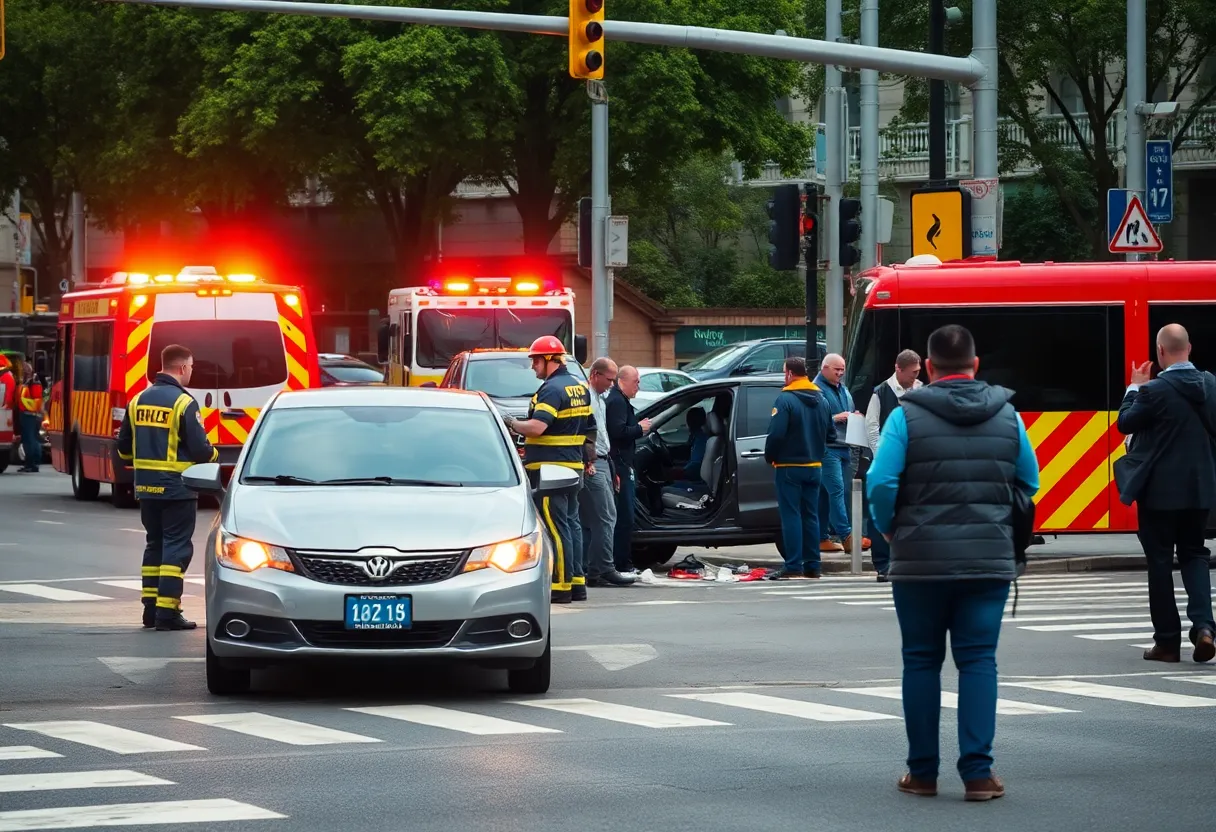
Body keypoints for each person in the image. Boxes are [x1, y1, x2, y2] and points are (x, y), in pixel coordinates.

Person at [866, 324, 1040, 802]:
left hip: (919, 560)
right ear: (975, 365)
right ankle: (979, 775)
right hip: (987, 560)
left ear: (928, 366)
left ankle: (922, 773)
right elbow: (1029, 482)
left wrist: (889, 529)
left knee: (921, 660)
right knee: (979, 661)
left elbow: (881, 481)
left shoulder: (905, 417)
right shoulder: (1008, 416)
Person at [1115, 324, 1216, 664]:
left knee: (1160, 562)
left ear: (1160, 352)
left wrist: (1134, 387)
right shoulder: (1211, 385)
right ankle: (1204, 627)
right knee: (1195, 554)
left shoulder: (1153, 390)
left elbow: (1126, 423)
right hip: (1200, 488)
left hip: (1159, 492)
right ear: (1190, 347)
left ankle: (1168, 643)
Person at [116, 344, 218, 631]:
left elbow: (123, 448)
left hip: (146, 488)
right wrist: (215, 456)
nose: (191, 371)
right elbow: (200, 450)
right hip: (177, 488)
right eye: (191, 367)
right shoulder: (184, 403)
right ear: (183, 367)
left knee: (155, 545)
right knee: (176, 547)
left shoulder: (137, 400)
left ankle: (150, 610)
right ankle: (167, 613)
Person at [503, 336, 596, 604]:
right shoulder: (579, 387)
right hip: (573, 467)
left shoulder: (551, 390)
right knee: (571, 524)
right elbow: (590, 427)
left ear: (549, 360)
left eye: (535, 360)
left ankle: (561, 586)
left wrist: (512, 423)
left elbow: (537, 427)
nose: (533, 366)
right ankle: (577, 583)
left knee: (556, 528)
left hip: (551, 469)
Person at [765, 356, 836, 579]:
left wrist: (770, 456)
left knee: (791, 516)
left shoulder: (785, 400)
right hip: (815, 467)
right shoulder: (822, 400)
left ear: (789, 374)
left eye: (784, 372)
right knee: (811, 515)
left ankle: (793, 565)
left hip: (789, 466)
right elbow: (831, 435)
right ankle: (813, 565)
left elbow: (776, 434)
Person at [864, 349, 923, 580]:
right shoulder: (881, 392)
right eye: (913, 372)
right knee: (882, 511)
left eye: (918, 372)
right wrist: (883, 458)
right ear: (898, 369)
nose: (916, 376)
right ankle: (883, 564)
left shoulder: (920, 390)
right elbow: (872, 427)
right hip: (889, 463)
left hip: (913, 463)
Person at [580, 357, 634, 589]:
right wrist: (587, 460)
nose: (612, 385)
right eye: (609, 379)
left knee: (591, 520)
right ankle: (604, 568)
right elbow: (582, 431)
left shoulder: (600, 398)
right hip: (593, 463)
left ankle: (592, 570)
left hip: (603, 461)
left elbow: (601, 434)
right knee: (606, 517)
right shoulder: (586, 397)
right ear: (595, 375)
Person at [813, 353, 869, 552]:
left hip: (845, 445)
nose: (840, 373)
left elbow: (849, 411)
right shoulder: (816, 390)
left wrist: (855, 416)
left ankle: (821, 538)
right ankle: (847, 536)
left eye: (842, 369)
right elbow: (813, 419)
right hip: (828, 448)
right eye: (836, 369)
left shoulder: (843, 389)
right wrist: (836, 417)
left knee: (828, 494)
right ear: (825, 368)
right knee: (837, 491)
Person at [605, 365, 651, 576]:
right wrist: (640, 429)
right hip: (620, 466)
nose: (638, 386)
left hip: (623, 464)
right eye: (636, 382)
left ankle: (621, 560)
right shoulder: (617, 402)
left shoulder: (620, 400)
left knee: (624, 515)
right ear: (622, 381)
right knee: (624, 516)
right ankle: (621, 562)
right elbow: (618, 431)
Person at [16, 365, 44, 473]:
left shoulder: (33, 382)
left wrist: (32, 411)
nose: (23, 371)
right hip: (27, 414)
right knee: (31, 439)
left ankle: (32, 464)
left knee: (30, 440)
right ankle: (31, 464)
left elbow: (37, 399)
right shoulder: (28, 381)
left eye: (24, 370)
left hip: (30, 415)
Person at [0, 355, 17, 471]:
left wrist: (6, 404)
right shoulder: (6, 375)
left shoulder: (6, 376)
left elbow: (9, 392)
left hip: (5, 409)